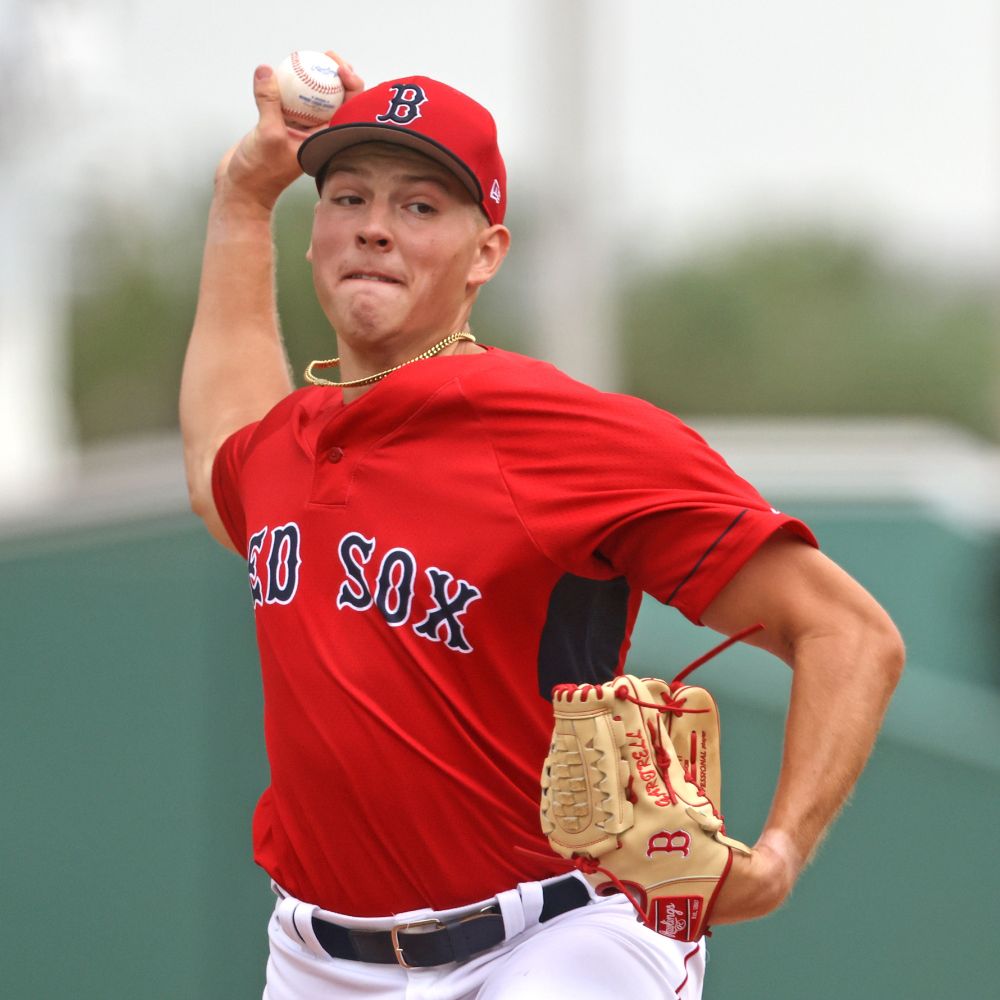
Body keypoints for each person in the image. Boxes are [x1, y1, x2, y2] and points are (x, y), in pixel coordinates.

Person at [179, 52, 904, 1000]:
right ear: (315, 236)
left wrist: (777, 854)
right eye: (348, 198)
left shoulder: (553, 430)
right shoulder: (289, 445)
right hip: (318, 960)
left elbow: (848, 631)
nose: (375, 231)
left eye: (421, 207)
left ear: (487, 253)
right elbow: (215, 456)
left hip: (558, 939)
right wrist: (241, 200)